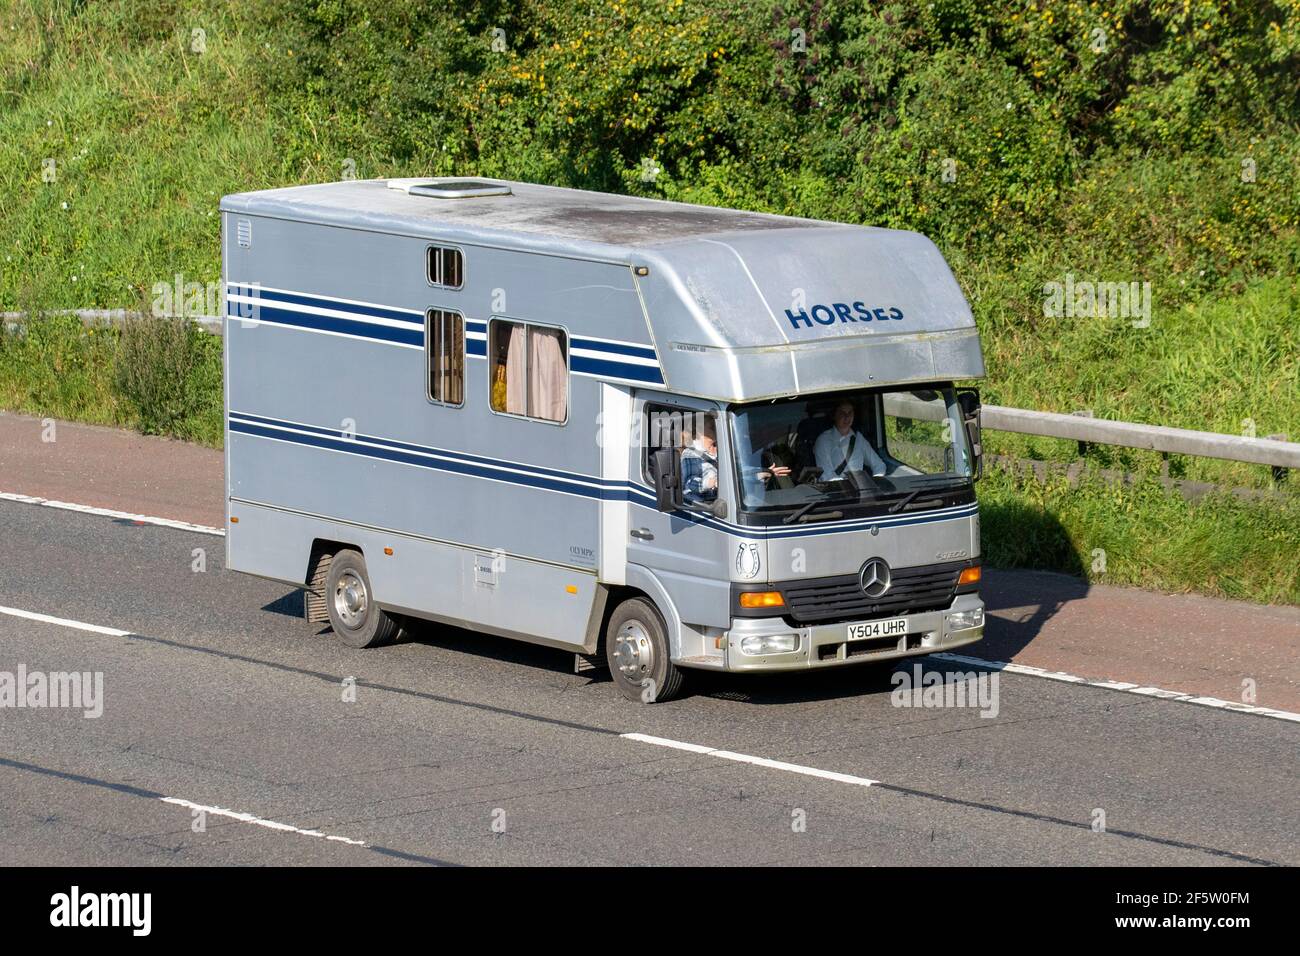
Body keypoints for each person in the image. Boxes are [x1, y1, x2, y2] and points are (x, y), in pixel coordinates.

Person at [814, 400, 887, 480]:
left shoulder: (859, 438)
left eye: (850, 413)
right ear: (834, 415)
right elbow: (826, 476)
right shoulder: (823, 441)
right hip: (836, 490)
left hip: (861, 488)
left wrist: (875, 482)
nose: (847, 417)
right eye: (842, 413)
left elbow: (879, 465)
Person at [680, 414, 720, 503]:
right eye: (711, 426)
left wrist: (755, 473)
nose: (716, 428)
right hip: (703, 505)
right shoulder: (690, 453)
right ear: (699, 430)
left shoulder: (722, 448)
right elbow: (689, 483)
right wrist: (711, 483)